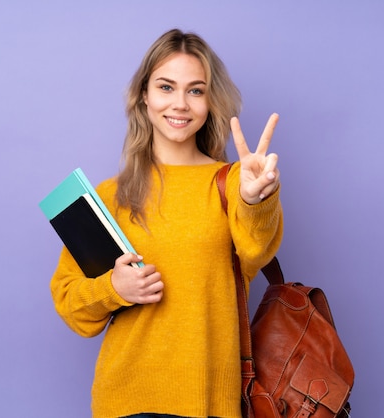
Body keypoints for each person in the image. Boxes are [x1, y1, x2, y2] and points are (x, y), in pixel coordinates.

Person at [50, 28, 283, 418]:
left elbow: (256, 250)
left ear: (211, 101)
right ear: (144, 96)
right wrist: (114, 288)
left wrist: (254, 198)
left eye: (196, 90)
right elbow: (73, 309)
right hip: (126, 400)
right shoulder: (111, 195)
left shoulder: (233, 184)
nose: (180, 103)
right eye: (166, 87)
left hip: (210, 401)